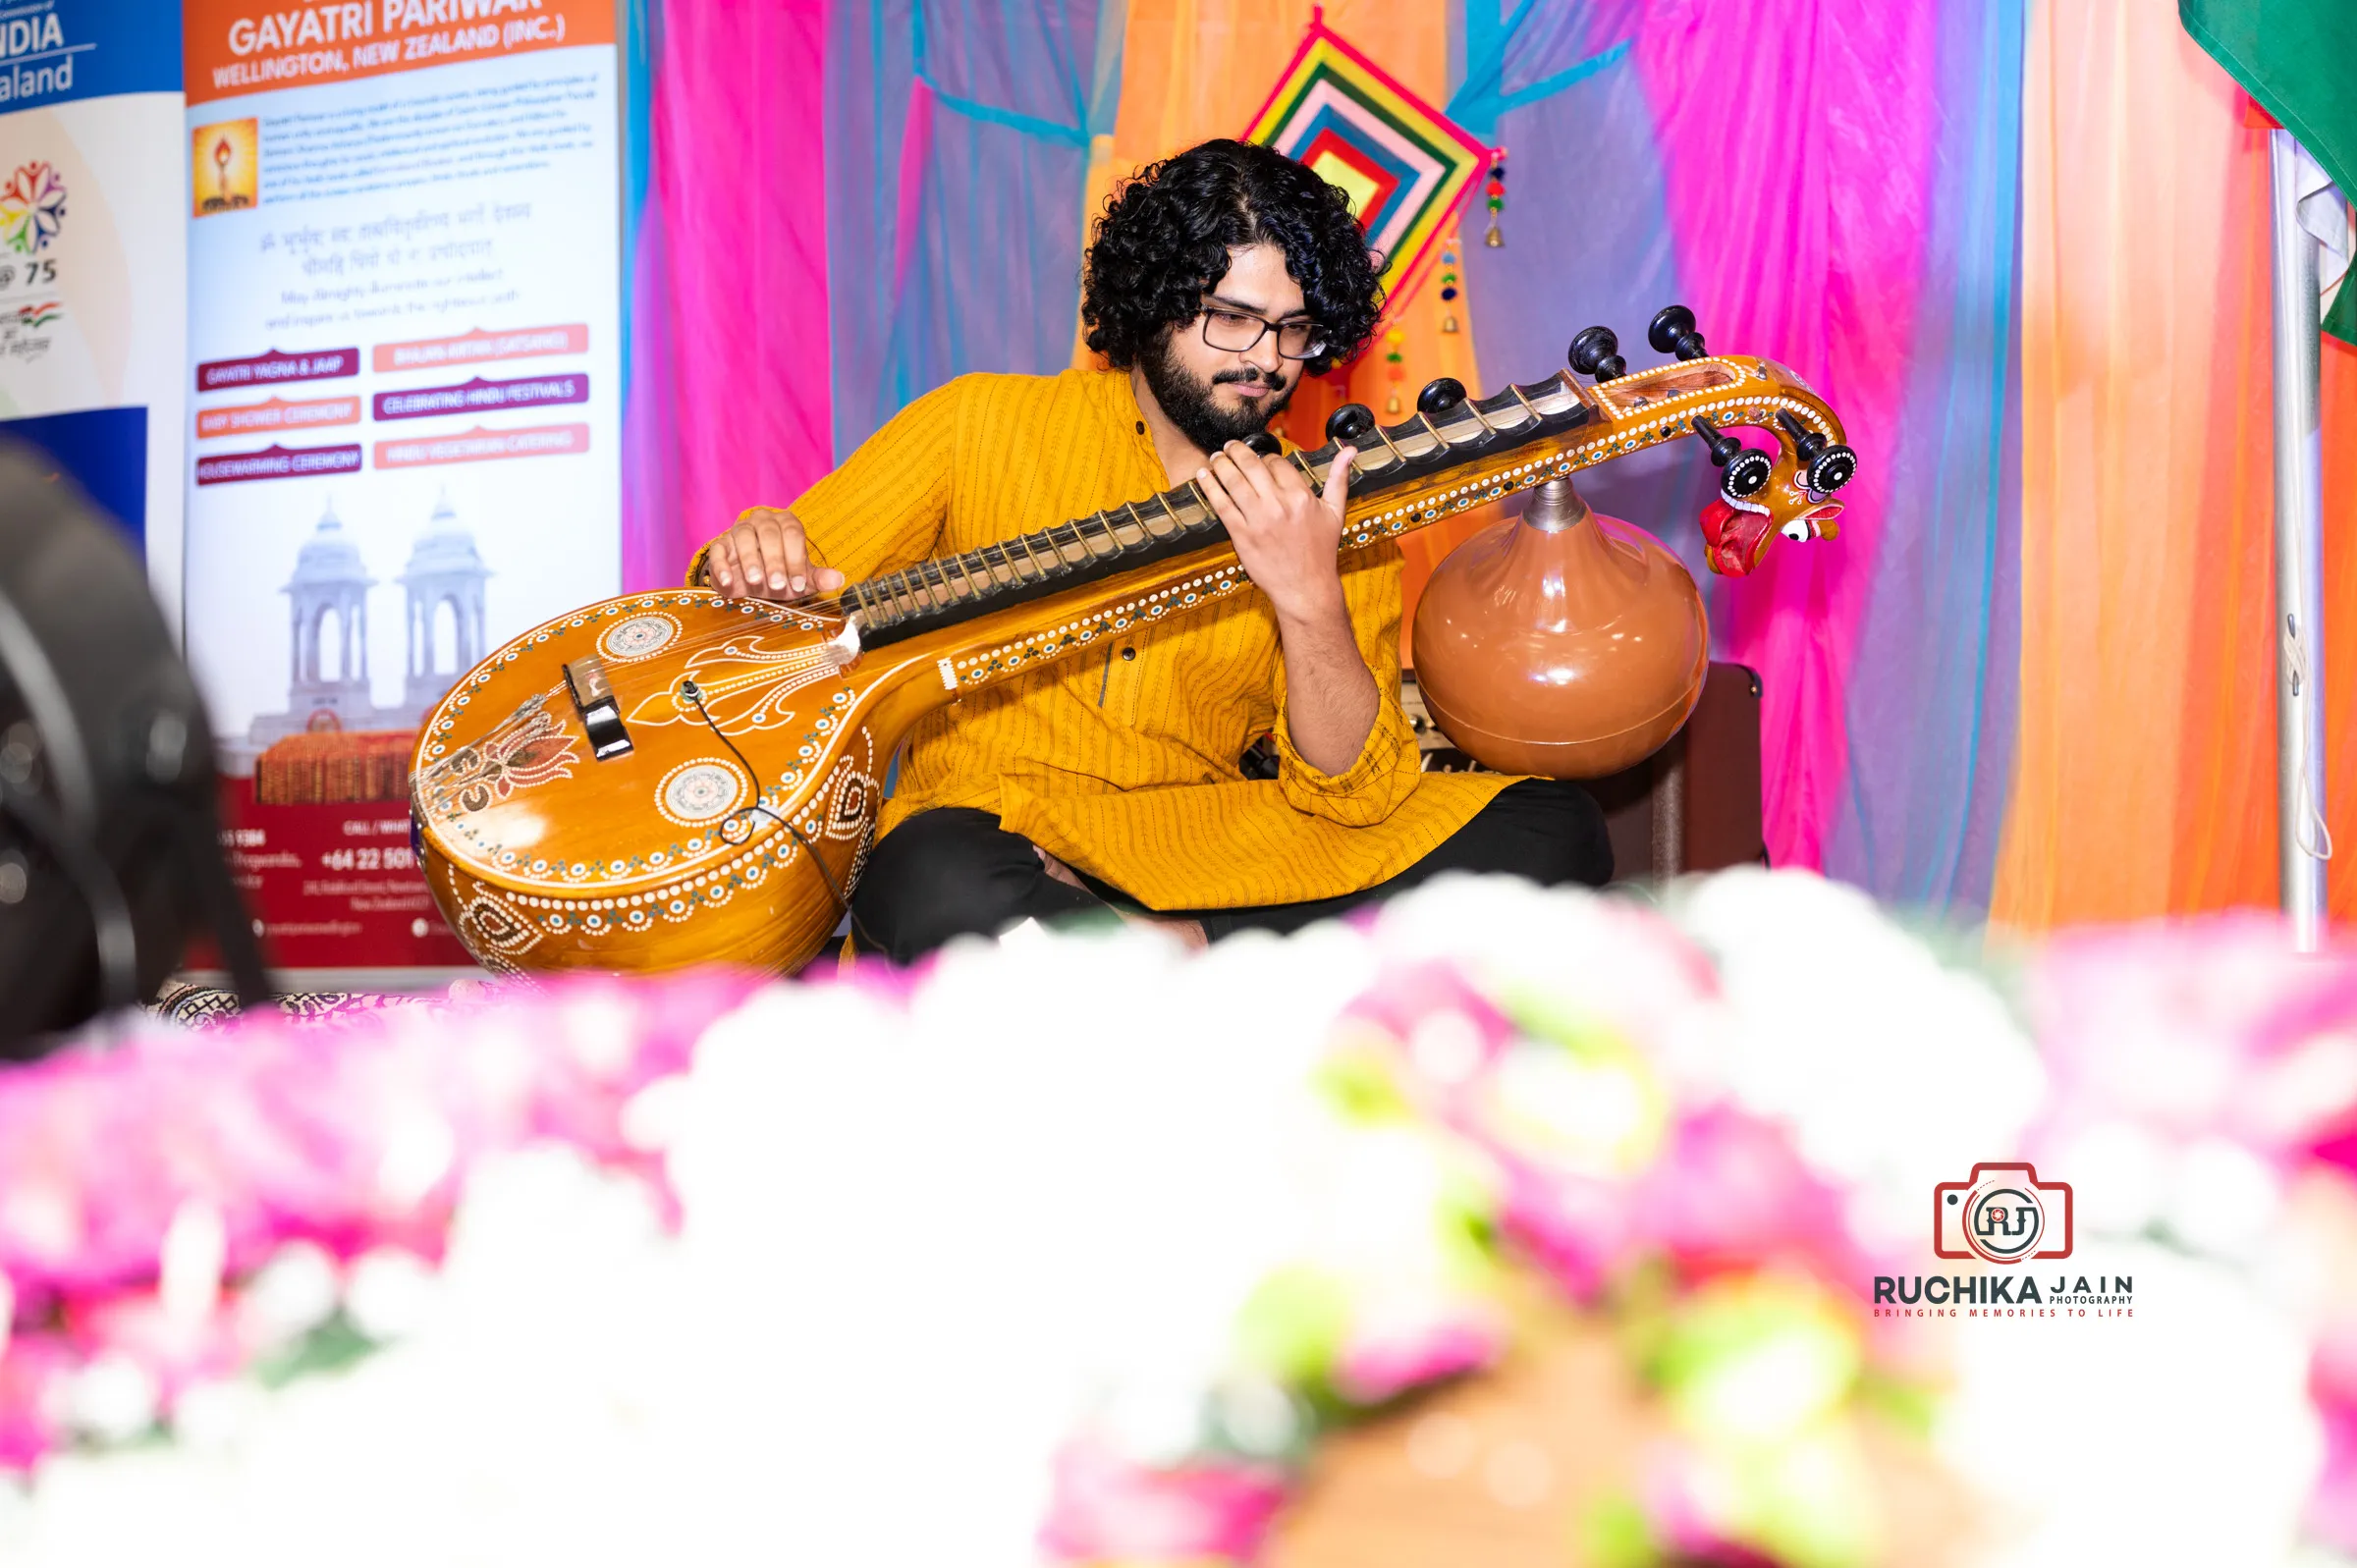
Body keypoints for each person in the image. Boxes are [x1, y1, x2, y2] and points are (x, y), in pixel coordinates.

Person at [692, 138, 1610, 962]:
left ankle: (1164, 954)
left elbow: (1352, 794)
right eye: (1233, 318)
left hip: (1196, 854)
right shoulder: (978, 424)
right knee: (922, 872)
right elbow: (748, 613)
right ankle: (1148, 960)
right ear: (1155, 301)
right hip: (998, 838)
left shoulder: (1326, 508)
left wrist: (1307, 597)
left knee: (1554, 828)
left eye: (1294, 329)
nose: (1267, 360)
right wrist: (754, 557)